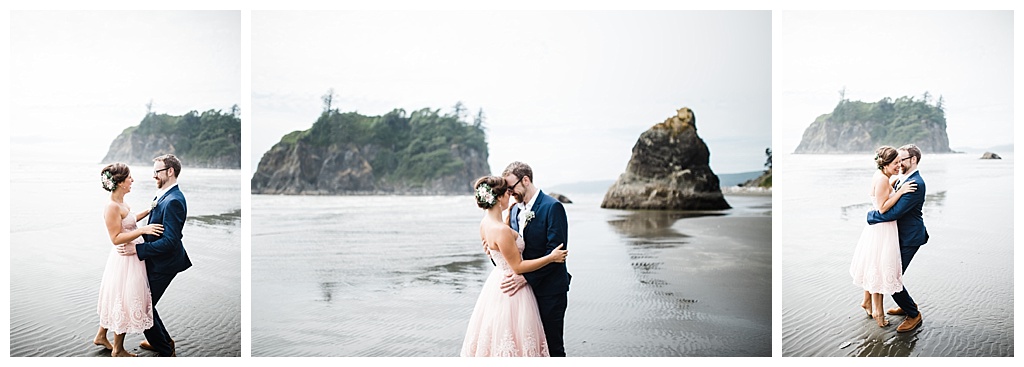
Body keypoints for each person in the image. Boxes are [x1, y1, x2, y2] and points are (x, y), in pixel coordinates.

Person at [461, 176, 568, 356]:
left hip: (498, 284)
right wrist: (551, 257)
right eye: (507, 192)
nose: (510, 196)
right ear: (500, 197)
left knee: (502, 339)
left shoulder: (486, 223)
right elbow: (517, 267)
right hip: (513, 288)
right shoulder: (502, 229)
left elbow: (500, 252)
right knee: (516, 337)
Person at [117, 154, 192, 356]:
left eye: (157, 172)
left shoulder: (174, 200)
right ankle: (164, 342)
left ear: (170, 171)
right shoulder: (163, 194)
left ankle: (166, 351)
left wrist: (138, 249)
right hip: (155, 260)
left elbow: (170, 241)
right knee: (146, 304)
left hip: (165, 264)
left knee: (142, 306)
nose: (153, 176)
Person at [500, 162, 571, 357]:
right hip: (522, 296)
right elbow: (513, 253)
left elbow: (557, 254)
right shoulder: (513, 211)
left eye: (512, 187)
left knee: (552, 347)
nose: (510, 192)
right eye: (507, 189)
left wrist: (525, 278)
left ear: (526, 180)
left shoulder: (553, 207)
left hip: (550, 291)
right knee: (529, 348)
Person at [94, 163, 164, 357]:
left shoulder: (123, 203)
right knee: (123, 299)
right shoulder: (111, 207)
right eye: (129, 178)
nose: (132, 180)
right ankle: (118, 349)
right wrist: (142, 230)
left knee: (118, 297)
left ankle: (101, 336)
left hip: (133, 256)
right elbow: (115, 238)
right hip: (125, 259)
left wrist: (149, 210)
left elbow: (130, 220)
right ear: (119, 182)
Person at [849, 146, 916, 327]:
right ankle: (878, 312)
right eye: (895, 163)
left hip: (882, 229)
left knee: (874, 266)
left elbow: (886, 189)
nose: (898, 166)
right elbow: (882, 208)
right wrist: (901, 192)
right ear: (885, 164)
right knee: (878, 268)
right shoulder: (881, 180)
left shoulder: (884, 177)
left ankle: (867, 302)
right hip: (882, 230)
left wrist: (895, 183)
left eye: (900, 162)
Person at [866, 144, 928, 333]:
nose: (899, 163)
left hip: (910, 237)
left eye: (903, 159)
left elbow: (894, 213)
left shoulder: (916, 183)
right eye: (897, 160)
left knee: (890, 276)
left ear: (914, 160)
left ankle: (913, 314)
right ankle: (906, 305)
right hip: (897, 236)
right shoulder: (902, 179)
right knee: (891, 274)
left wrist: (871, 216)